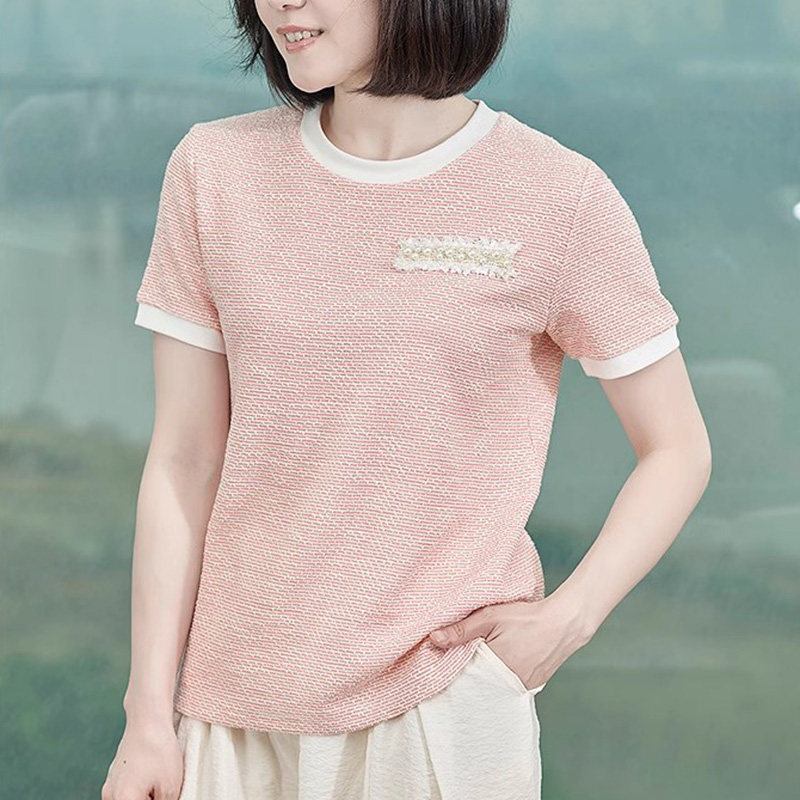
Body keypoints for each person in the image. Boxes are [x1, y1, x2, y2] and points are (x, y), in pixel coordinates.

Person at [102, 0, 712, 798]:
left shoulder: (558, 197)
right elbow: (184, 461)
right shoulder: (215, 170)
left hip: (439, 710)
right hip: (229, 711)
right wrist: (147, 715)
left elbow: (677, 448)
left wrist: (569, 619)